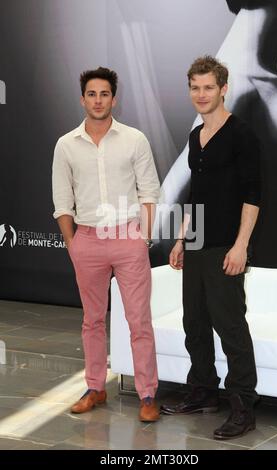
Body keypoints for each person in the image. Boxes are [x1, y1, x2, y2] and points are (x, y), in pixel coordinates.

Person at [160, 56, 261, 440]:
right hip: (199, 241)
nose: (201, 94)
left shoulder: (242, 134)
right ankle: (202, 391)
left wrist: (240, 247)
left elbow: (253, 196)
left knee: (230, 327)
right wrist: (182, 238)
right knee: (195, 323)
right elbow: (197, 194)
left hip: (226, 245)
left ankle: (242, 406)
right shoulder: (195, 136)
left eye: (208, 87)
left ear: (223, 89)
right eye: (194, 88)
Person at [52, 66, 160, 422]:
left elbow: (150, 192)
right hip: (87, 240)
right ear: (82, 99)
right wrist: (73, 244)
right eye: (92, 94)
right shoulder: (66, 145)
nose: (98, 100)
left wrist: (142, 238)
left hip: (128, 237)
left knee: (138, 320)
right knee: (92, 321)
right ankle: (95, 388)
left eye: (105, 94)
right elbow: (62, 201)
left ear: (114, 98)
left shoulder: (134, 139)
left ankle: (147, 394)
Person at [157, 0, 277, 269]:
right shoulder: (244, 85)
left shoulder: (246, 79)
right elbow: (180, 190)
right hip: (231, 258)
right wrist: (166, 257)